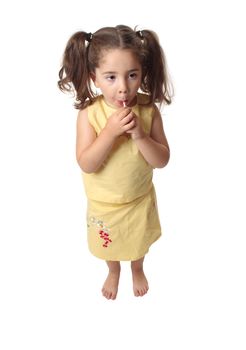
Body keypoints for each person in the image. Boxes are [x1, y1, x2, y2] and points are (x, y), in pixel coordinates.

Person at [58, 25, 173, 300]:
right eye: (111, 77)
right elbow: (87, 163)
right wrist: (109, 132)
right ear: (94, 77)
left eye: (132, 75)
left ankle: (136, 267)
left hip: (138, 200)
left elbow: (162, 160)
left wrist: (141, 136)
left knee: (138, 243)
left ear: (142, 73)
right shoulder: (90, 114)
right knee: (108, 247)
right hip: (105, 204)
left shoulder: (147, 110)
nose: (123, 87)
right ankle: (113, 270)